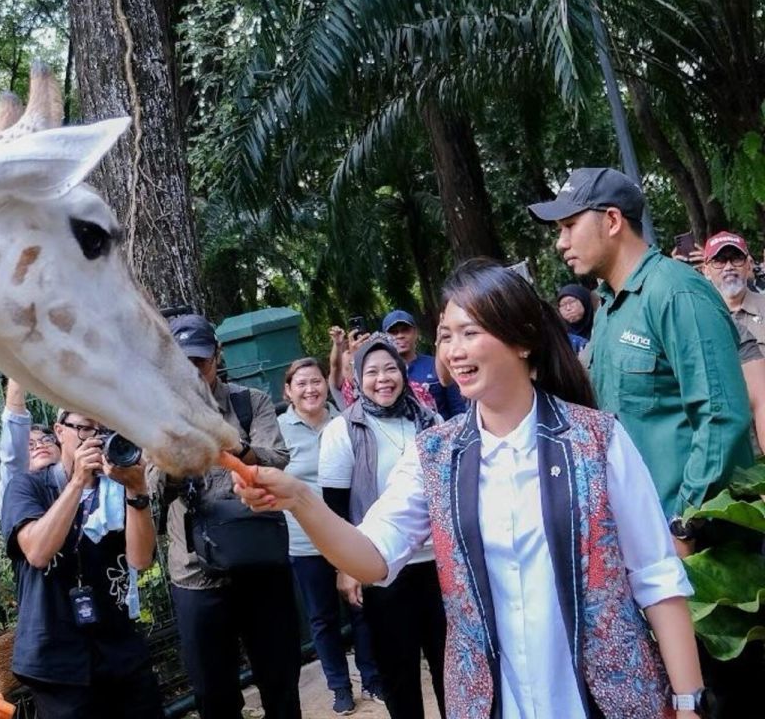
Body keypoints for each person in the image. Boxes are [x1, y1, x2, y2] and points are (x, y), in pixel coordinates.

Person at [236, 261, 708, 719]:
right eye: (445, 335)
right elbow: (372, 557)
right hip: (489, 703)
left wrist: (689, 702)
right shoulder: (435, 455)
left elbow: (657, 576)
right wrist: (298, 498)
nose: (453, 351)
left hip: (609, 697)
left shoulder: (597, 440)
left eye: (469, 332)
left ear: (522, 340)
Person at [529, 167, 753, 525]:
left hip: (700, 544)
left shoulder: (676, 292)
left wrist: (685, 522)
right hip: (645, 533)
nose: (561, 242)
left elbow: (722, 417)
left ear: (613, 220)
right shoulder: (608, 309)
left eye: (570, 226)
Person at [150, 313, 302, 719]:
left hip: (260, 562)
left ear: (217, 356)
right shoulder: (157, 418)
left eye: (199, 361)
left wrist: (234, 445)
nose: (192, 373)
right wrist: (174, 451)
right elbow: (149, 495)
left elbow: (277, 459)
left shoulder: (249, 402)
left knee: (281, 681)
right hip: (196, 575)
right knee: (213, 694)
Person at [0, 407, 163, 718]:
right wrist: (76, 482)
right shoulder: (28, 486)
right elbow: (37, 551)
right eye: (87, 429)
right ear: (60, 431)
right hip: (56, 656)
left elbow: (140, 560)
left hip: (119, 647)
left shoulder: (118, 487)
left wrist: (137, 489)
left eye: (105, 430)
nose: (97, 440)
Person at [319, 335, 446, 719]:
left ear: (403, 372)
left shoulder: (430, 420)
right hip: (382, 568)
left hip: (438, 565)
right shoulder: (343, 431)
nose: (383, 378)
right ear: (357, 378)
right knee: (398, 670)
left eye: (390, 368)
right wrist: (346, 567)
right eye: (372, 371)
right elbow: (335, 510)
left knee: (450, 665)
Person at [278, 357, 381, 715]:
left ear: (327, 383)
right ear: (288, 392)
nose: (310, 389)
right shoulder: (278, 430)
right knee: (322, 618)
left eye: (316, 381)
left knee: (361, 609)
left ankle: (372, 677)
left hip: (349, 534)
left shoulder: (346, 422)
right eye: (301, 383)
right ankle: (339, 686)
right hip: (305, 542)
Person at [700, 231, 765, 450]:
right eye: (719, 260)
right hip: (728, 445)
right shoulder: (699, 320)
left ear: (748, 265)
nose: (728, 266)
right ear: (705, 270)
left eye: (735, 258)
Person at [0, 378, 63, 513]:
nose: (39, 445)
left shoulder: (79, 475)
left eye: (47, 440)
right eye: (30, 445)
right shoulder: (13, 487)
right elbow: (14, 447)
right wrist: (16, 371)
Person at [383, 309, 466, 418]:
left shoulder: (436, 365)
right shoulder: (382, 374)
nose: (400, 336)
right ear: (384, 336)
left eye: (405, 330)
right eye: (394, 332)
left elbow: (457, 407)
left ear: (416, 333)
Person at [555, 284, 594, 352]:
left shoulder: (601, 323)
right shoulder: (562, 336)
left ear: (584, 300)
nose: (568, 308)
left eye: (571, 302)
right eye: (563, 305)